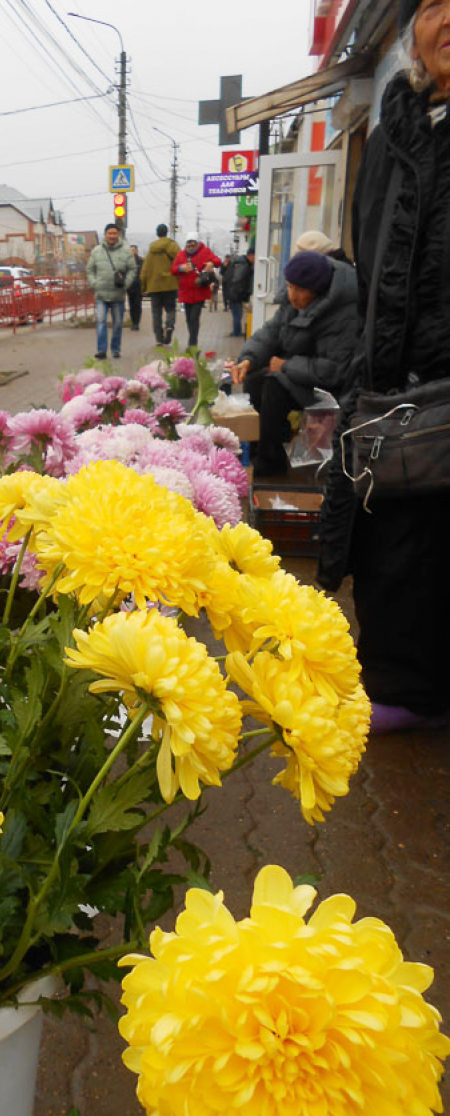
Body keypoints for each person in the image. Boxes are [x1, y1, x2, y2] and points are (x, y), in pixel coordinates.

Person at [318, 0, 450, 734]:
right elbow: (370, 263)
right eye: (433, 4)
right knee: (398, 537)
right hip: (400, 395)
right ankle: (402, 681)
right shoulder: (397, 131)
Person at [229, 250, 358, 477]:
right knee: (255, 378)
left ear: (317, 290)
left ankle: (271, 465)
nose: (292, 295)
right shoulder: (293, 302)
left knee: (274, 387)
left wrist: (285, 366)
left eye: (299, 290)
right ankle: (260, 447)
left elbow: (335, 370)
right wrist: (247, 359)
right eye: (289, 286)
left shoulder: (343, 312)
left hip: (333, 387)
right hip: (301, 372)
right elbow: (271, 332)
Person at [86, 223, 137, 359]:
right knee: (101, 322)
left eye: (115, 233)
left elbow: (132, 269)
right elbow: (90, 269)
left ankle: (115, 349)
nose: (112, 236)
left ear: (118, 234)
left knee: (118, 323)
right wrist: (94, 283)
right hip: (101, 294)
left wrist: (126, 283)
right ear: (105, 235)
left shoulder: (126, 251)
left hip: (118, 295)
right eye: (110, 233)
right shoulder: (96, 251)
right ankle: (101, 350)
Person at [171, 232, 221, 348]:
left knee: (194, 317)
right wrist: (181, 268)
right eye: (189, 245)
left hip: (199, 292)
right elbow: (173, 270)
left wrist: (211, 263)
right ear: (186, 245)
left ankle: (192, 344)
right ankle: (192, 340)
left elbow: (218, 261)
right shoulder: (181, 255)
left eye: (194, 245)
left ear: (198, 244)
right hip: (186, 292)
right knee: (189, 319)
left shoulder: (205, 252)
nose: (191, 247)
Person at [140, 223, 181, 346]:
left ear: (157, 233)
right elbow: (180, 262)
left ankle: (158, 337)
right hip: (171, 284)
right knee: (170, 309)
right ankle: (169, 326)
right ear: (167, 232)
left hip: (155, 286)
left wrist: (143, 287)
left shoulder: (151, 250)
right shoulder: (173, 247)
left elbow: (145, 270)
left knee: (156, 312)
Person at [227, 242, 255, 337]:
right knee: (237, 314)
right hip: (235, 294)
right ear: (251, 255)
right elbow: (237, 279)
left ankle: (236, 331)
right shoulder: (243, 264)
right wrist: (242, 292)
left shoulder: (242, 263)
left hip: (234, 293)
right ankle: (236, 332)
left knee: (237, 314)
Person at [127, 244, 144, 330]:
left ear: (136, 251)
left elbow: (144, 274)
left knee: (138, 305)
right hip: (130, 287)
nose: (132, 252)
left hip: (139, 286)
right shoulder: (126, 261)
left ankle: (137, 323)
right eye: (130, 250)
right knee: (131, 305)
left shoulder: (141, 261)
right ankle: (133, 322)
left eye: (133, 250)